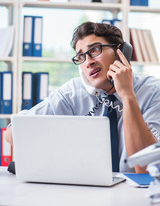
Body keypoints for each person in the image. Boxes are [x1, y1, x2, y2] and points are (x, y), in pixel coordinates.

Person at [5, 21, 160, 173]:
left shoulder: (153, 93)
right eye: (81, 57)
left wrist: (127, 95)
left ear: (120, 53)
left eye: (94, 50)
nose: (88, 62)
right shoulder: (73, 93)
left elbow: (145, 168)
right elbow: (12, 133)